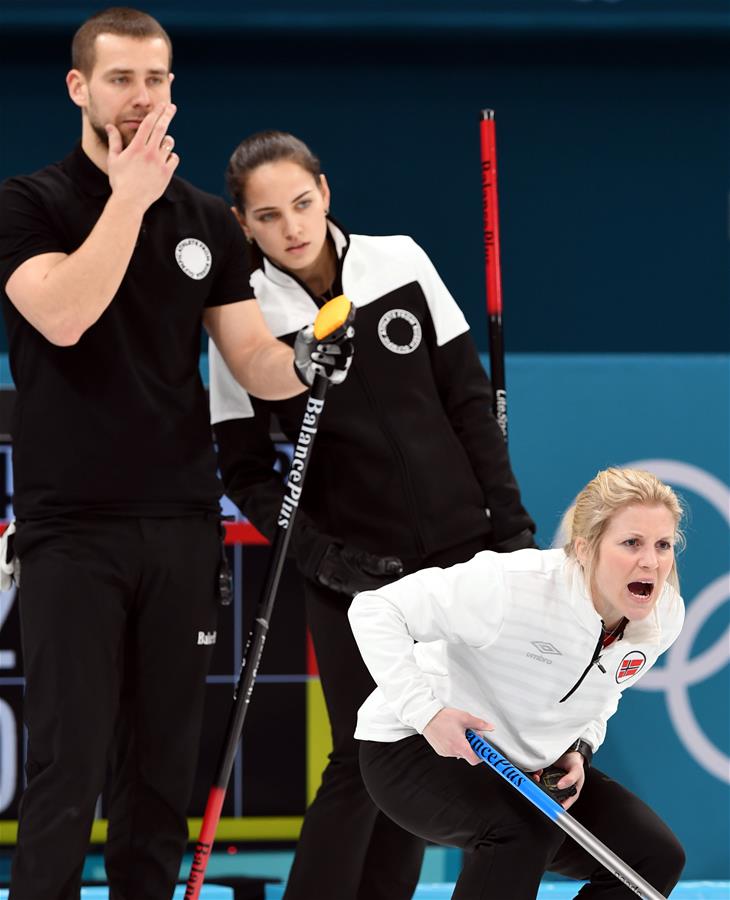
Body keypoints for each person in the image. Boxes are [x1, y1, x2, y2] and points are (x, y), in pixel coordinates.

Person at [0, 11, 352, 900]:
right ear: (79, 88)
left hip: (181, 524)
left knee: (158, 774)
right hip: (68, 528)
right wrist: (127, 199)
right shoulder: (28, 203)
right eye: (120, 79)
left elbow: (253, 364)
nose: (139, 98)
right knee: (67, 767)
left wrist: (306, 357)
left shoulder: (205, 220)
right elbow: (65, 314)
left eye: (154, 81)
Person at [208, 130, 537, 900]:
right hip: (353, 572)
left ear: (325, 190)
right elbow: (247, 470)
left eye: (301, 202)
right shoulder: (243, 315)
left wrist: (511, 528)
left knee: (427, 753)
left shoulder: (400, 259)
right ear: (241, 223)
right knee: (362, 753)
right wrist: (319, 556)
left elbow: (466, 401)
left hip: (460, 553)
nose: (292, 226)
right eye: (268, 215)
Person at [349, 466, 687, 899]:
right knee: (523, 830)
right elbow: (374, 610)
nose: (651, 562)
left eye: (663, 545)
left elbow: (604, 693)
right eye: (631, 543)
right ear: (584, 549)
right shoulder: (511, 586)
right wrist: (427, 713)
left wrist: (579, 747)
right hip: (413, 746)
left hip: (527, 766)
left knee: (652, 858)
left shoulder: (663, 617)